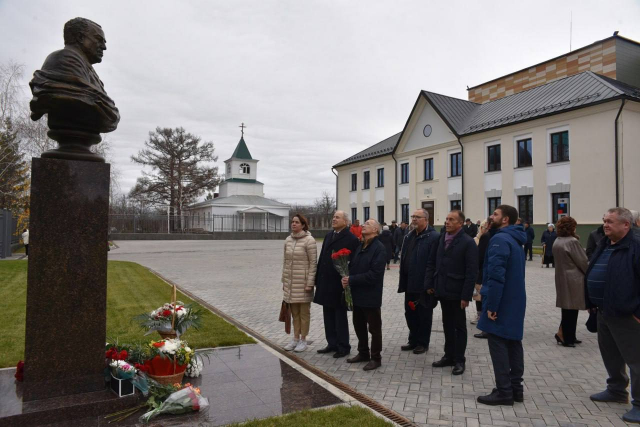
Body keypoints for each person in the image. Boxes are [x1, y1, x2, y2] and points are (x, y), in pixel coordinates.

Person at [585, 208, 640, 424]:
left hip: (627, 314)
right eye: (604, 221)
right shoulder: (605, 243)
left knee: (636, 360)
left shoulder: (635, 246)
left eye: (610, 221)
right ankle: (616, 389)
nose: (605, 225)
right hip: (604, 311)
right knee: (611, 355)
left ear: (626, 225)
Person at [30, 18, 120, 135]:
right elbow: (107, 110)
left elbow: (105, 108)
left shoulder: (88, 70)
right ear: (80, 37)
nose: (104, 47)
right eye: (99, 40)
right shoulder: (63, 58)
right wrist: (107, 107)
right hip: (70, 138)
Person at [476, 205, 527, 406]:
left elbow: (496, 276)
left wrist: (492, 306)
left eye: (495, 214)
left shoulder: (499, 240)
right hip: (515, 300)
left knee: (498, 345)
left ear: (505, 219)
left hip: (501, 302)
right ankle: (516, 389)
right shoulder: (515, 239)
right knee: (514, 343)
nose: (491, 216)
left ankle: (504, 391)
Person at [426, 210, 478, 375]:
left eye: (451, 220)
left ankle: (459, 360)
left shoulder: (468, 242)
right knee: (447, 324)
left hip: (457, 291)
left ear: (460, 223)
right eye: (447, 219)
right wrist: (430, 283)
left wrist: (465, 295)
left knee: (458, 326)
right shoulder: (442, 238)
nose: (447, 222)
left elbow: (471, 271)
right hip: (442, 289)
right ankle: (448, 356)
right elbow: (433, 262)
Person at [342, 219, 387, 371]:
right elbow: (354, 266)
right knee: (359, 325)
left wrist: (352, 279)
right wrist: (347, 278)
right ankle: (363, 353)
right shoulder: (361, 246)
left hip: (371, 295)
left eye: (367, 224)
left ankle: (376, 358)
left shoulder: (379, 248)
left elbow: (374, 274)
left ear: (375, 230)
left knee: (374, 328)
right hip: (357, 294)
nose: (363, 225)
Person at [314, 211, 360, 358]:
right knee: (327, 315)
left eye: (337, 217)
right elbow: (322, 258)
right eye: (333, 217)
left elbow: (354, 262)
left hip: (339, 284)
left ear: (345, 222)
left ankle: (343, 346)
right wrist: (317, 279)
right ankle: (331, 343)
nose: (334, 219)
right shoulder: (329, 235)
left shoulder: (351, 239)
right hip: (325, 281)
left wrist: (349, 280)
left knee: (339, 316)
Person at [398, 209, 440, 355]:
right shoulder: (409, 236)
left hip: (424, 285)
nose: (414, 219)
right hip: (409, 283)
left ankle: (423, 342)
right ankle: (413, 339)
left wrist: (431, 284)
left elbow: (435, 263)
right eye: (413, 217)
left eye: (417, 217)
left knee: (424, 315)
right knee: (410, 313)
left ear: (426, 220)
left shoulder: (434, 237)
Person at [281, 214, 317, 352]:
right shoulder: (288, 240)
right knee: (294, 313)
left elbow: (313, 263)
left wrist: (310, 283)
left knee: (304, 313)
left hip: (303, 283)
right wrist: (284, 280)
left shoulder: (309, 240)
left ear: (303, 225)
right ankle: (295, 338)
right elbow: (285, 262)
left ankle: (303, 339)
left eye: (297, 222)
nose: (293, 224)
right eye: (292, 222)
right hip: (291, 283)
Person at [552, 216, 588, 347]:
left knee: (567, 308)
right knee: (572, 309)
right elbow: (582, 261)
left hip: (561, 277)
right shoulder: (572, 241)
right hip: (574, 279)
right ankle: (566, 337)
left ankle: (569, 335)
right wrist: (589, 273)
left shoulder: (558, 240)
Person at [471, 218, 490, 327]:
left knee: (483, 294)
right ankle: (479, 314)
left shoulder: (488, 238)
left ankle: (483, 315)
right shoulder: (476, 239)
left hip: (483, 270)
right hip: (477, 271)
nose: (484, 229)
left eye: (486, 228)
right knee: (478, 295)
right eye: (483, 227)